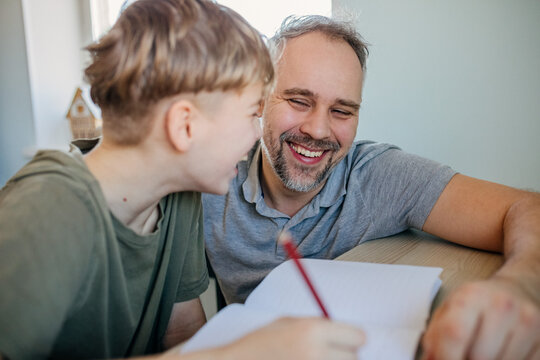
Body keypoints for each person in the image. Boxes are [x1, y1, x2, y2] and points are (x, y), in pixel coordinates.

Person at [0, 2, 365, 359]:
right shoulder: (44, 210)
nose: (256, 136)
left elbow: (182, 334)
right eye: (252, 113)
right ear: (184, 125)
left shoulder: (179, 197)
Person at [202, 14, 540, 360]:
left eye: (342, 111)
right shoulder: (208, 182)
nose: (318, 130)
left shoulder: (379, 176)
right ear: (261, 98)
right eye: (299, 101)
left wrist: (521, 285)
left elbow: (526, 208)